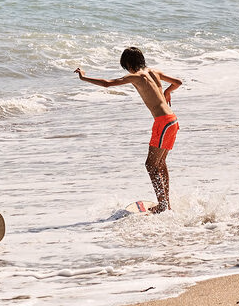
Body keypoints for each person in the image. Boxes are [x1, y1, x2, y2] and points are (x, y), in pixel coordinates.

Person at [77, 48, 183, 212]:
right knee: (160, 164)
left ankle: (162, 206)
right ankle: (166, 204)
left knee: (150, 165)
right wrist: (167, 92)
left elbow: (107, 83)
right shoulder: (154, 72)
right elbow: (178, 82)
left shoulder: (136, 77)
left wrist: (83, 77)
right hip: (173, 120)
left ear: (128, 64)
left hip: (162, 123)